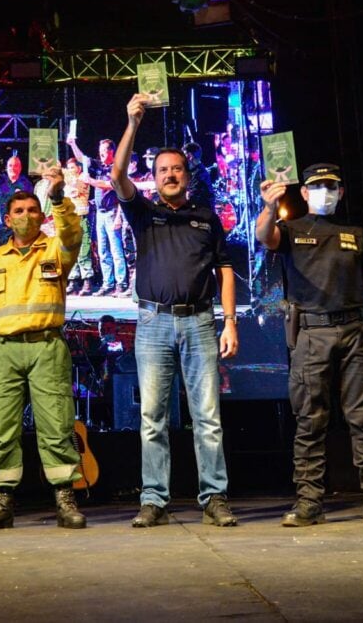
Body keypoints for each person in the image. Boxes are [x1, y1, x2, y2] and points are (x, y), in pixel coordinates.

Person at [256, 163, 363, 527]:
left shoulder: (354, 233)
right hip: (312, 332)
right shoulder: (290, 229)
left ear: (340, 192)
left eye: (332, 186)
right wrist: (268, 206)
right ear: (305, 193)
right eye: (317, 186)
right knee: (310, 420)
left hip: (355, 329)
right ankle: (309, 501)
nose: (325, 191)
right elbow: (265, 237)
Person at [112, 93, 240, 528]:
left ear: (187, 175)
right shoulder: (143, 214)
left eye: (176, 169)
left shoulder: (206, 217)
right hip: (152, 323)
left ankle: (215, 498)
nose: (170, 174)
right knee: (153, 419)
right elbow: (115, 177)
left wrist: (230, 322)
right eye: (162, 170)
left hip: (201, 323)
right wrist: (133, 124)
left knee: (207, 418)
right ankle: (154, 500)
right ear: (154, 178)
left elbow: (225, 270)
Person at [0, 165, 87, 531]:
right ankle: (2, 502)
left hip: (46, 346)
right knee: (2, 428)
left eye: (32, 210)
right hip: (2, 351)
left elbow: (73, 235)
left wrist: (59, 196)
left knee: (57, 424)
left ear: (42, 214)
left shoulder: (56, 250)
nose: (26, 215)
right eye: (18, 211)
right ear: (7, 218)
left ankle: (65, 499)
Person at [68, 136, 130, 297]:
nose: (101, 153)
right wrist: (73, 143)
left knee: (116, 250)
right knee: (102, 251)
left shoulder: (117, 168)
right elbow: (83, 159)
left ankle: (121, 283)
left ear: (112, 151)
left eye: (104, 150)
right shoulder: (99, 166)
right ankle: (107, 284)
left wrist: (91, 181)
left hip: (112, 212)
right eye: (100, 150)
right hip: (100, 214)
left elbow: (110, 185)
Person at [0, 150, 33, 249]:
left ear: (20, 167)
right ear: (6, 167)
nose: (13, 168)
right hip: (3, 228)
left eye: (16, 165)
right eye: (10, 165)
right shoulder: (2, 181)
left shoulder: (26, 184)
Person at [61, 156, 94, 296]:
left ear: (79, 168)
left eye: (73, 168)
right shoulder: (68, 181)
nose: (70, 171)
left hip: (81, 218)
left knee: (83, 250)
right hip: (69, 219)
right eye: (68, 169)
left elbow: (75, 189)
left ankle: (87, 280)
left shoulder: (84, 178)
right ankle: (73, 280)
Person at [182, 141, 215, 210]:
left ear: (190, 156)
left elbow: (190, 197)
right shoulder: (195, 171)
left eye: (184, 155)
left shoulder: (199, 174)